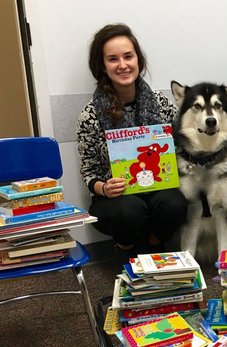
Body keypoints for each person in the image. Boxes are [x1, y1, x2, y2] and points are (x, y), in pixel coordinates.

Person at [76, 23, 187, 257]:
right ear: (103, 66)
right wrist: (104, 188)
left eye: (128, 56)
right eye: (113, 59)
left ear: (138, 60)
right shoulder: (91, 115)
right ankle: (125, 247)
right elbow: (89, 172)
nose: (123, 65)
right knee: (130, 209)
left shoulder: (161, 103)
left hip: (157, 187)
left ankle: (155, 243)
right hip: (115, 200)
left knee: (175, 203)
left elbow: (179, 148)